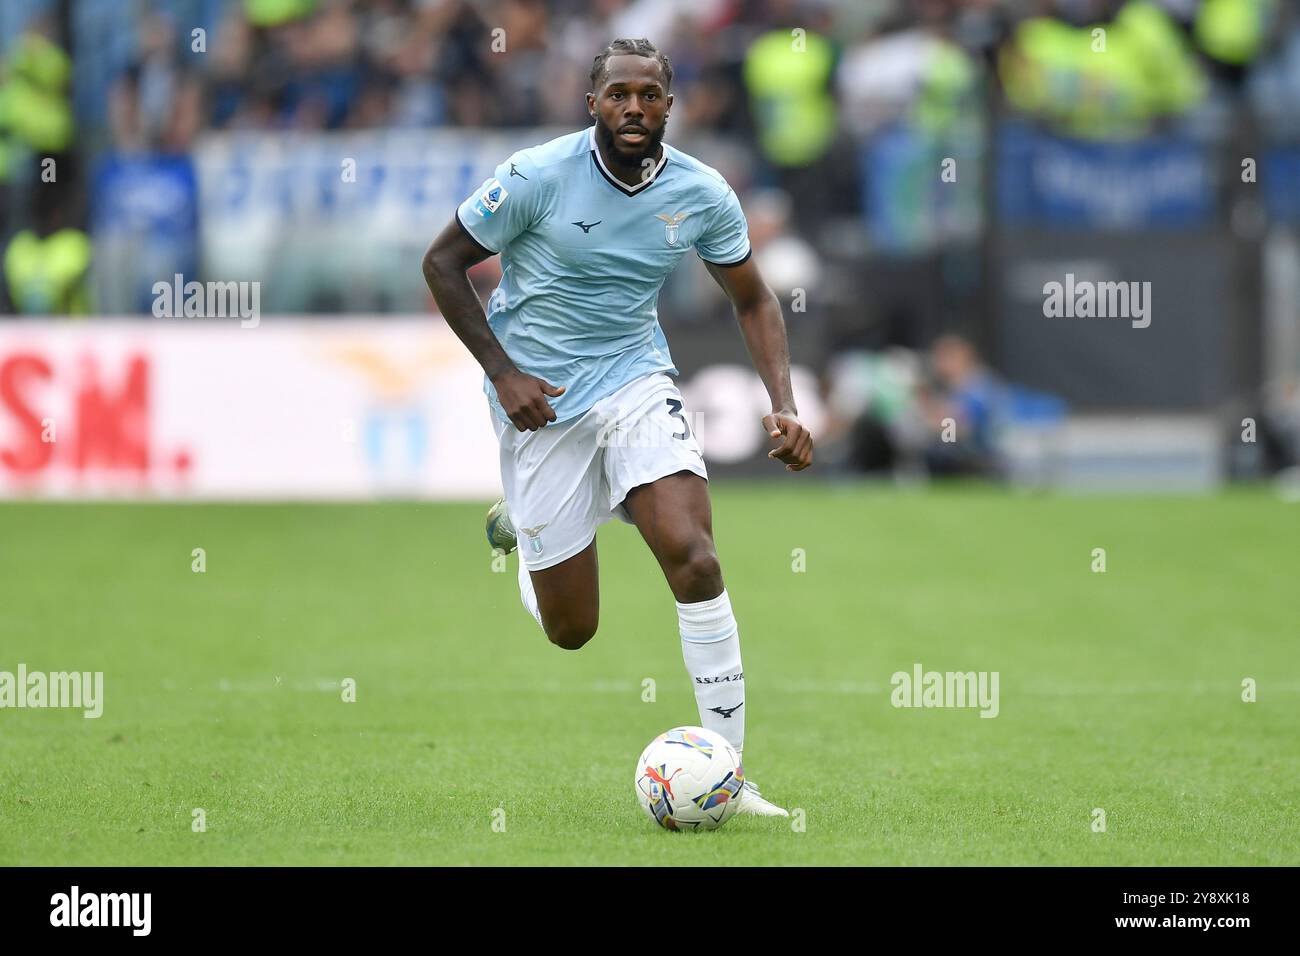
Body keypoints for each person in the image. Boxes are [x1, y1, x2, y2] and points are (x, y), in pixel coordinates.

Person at [421, 38, 812, 817]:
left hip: (636, 377)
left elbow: (753, 298)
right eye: (618, 94)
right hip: (541, 397)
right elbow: (442, 263)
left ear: (672, 105)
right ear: (591, 103)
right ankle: (533, 541)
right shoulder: (537, 175)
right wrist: (504, 373)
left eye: (650, 95)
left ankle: (729, 776)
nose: (634, 108)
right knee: (573, 631)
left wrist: (785, 402)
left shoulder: (703, 192)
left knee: (694, 557)